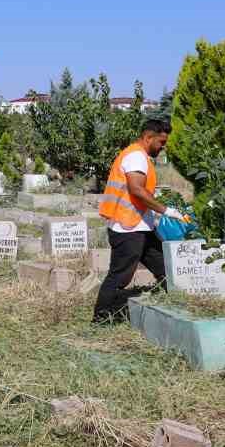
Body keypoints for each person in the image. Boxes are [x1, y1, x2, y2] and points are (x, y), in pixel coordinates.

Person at [93, 118, 186, 323]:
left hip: (139, 226)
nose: (163, 147)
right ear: (148, 137)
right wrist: (166, 210)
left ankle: (176, 304)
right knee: (120, 275)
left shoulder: (139, 155)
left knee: (164, 266)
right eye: (161, 142)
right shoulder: (136, 156)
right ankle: (101, 317)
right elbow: (136, 189)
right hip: (127, 228)